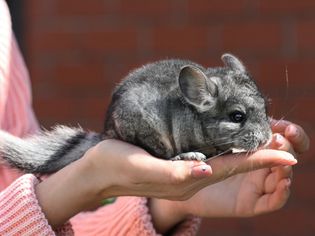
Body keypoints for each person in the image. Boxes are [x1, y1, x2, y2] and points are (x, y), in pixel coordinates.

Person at [0, 1, 309, 235]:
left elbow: (57, 221)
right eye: (239, 117)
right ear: (200, 98)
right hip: (141, 121)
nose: (259, 130)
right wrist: (89, 179)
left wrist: (173, 201)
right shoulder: (189, 115)